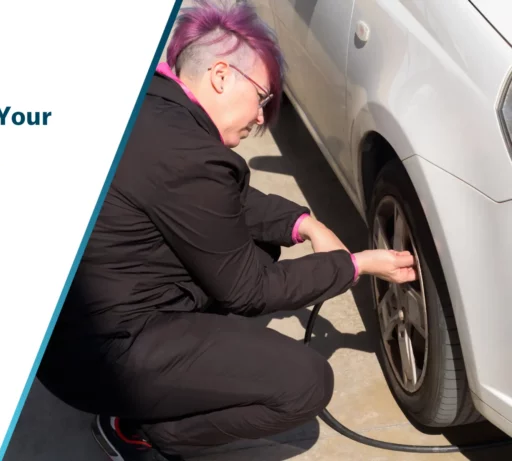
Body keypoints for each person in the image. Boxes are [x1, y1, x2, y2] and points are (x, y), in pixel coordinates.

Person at [36, 1, 417, 459]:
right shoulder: (189, 157)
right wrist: (352, 266)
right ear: (220, 76)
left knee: (259, 247)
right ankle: (142, 428)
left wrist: (303, 223)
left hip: (73, 325)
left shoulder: (155, 106)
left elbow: (219, 203)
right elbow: (250, 291)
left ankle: (165, 389)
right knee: (305, 382)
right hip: (101, 355)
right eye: (262, 98)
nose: (261, 116)